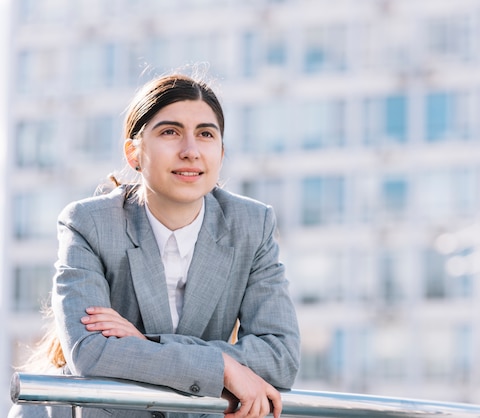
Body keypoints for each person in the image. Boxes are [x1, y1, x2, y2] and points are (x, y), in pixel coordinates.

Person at [9, 73, 301, 418]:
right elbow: (90, 352)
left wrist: (146, 345)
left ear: (221, 153)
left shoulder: (252, 224)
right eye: (170, 132)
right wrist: (221, 366)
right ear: (134, 153)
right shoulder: (89, 223)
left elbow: (280, 357)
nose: (191, 151)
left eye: (206, 134)